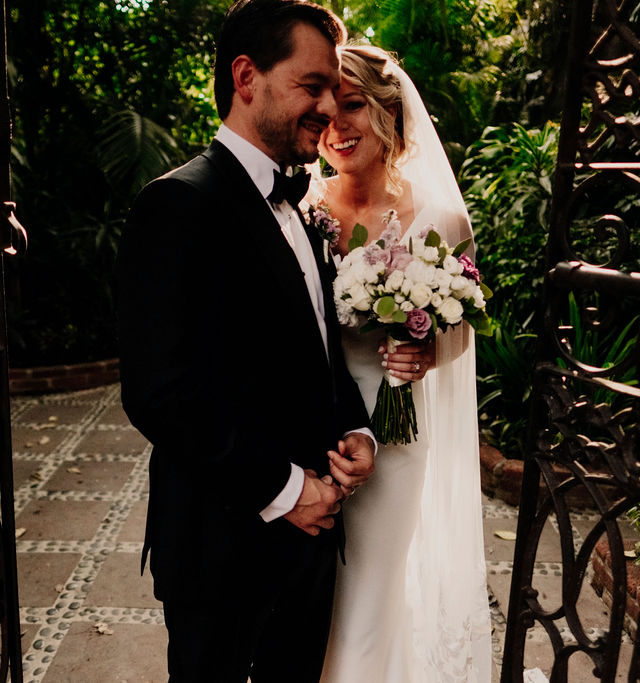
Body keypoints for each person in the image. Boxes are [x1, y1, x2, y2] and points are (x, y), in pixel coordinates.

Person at [114, 2, 376, 681]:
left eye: (332, 90)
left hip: (314, 546)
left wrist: (354, 428)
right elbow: (159, 393)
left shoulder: (305, 205)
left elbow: (319, 345)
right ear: (246, 76)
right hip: (220, 548)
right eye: (311, 85)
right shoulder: (176, 204)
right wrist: (287, 489)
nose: (327, 106)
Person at [313, 45, 493, 681]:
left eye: (354, 104)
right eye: (327, 108)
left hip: (395, 429)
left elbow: (463, 333)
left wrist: (425, 349)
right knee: (315, 597)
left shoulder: (441, 216)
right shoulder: (303, 208)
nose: (337, 125)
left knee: (368, 590)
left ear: (389, 111)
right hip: (312, 425)